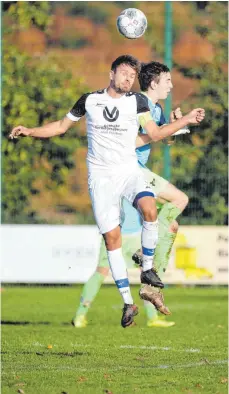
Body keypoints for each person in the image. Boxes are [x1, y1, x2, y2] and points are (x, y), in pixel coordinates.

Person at [9, 55, 205, 328]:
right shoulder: (89, 100)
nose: (128, 79)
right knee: (112, 240)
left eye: (132, 76)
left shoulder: (137, 102)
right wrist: (30, 131)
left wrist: (182, 123)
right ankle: (128, 303)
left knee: (150, 209)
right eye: (124, 73)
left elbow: (155, 134)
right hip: (101, 180)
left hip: (129, 173)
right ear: (111, 73)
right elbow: (61, 127)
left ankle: (148, 270)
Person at [72, 61, 193, 328]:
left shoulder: (157, 108)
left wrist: (173, 127)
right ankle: (146, 259)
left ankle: (147, 268)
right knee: (179, 200)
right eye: (168, 81)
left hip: (135, 173)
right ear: (154, 83)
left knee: (166, 216)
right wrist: (177, 125)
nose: (172, 86)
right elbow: (134, 141)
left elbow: (162, 138)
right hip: (129, 170)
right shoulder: (137, 102)